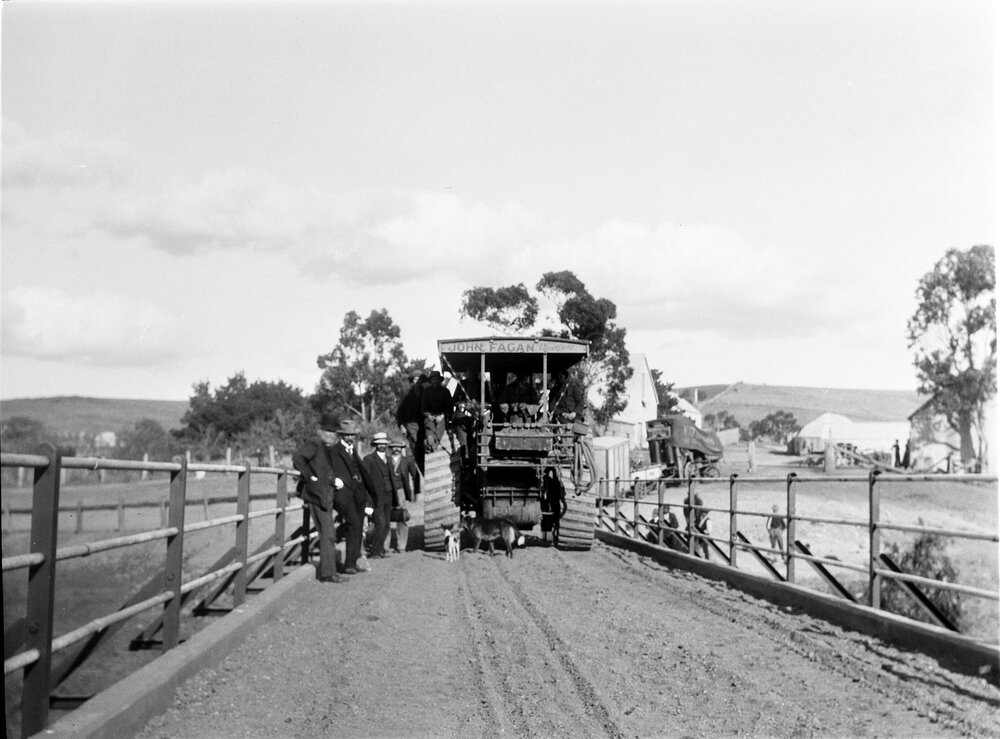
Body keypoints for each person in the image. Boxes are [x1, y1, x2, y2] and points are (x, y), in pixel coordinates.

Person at [291, 413, 348, 583]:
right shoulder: (315, 443)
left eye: (334, 432)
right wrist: (310, 477)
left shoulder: (326, 447)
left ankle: (329, 571)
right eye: (328, 431)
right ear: (321, 431)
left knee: (328, 533)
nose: (332, 435)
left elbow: (322, 469)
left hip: (324, 495)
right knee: (328, 533)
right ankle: (328, 573)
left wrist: (332, 480)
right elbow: (297, 458)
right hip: (316, 495)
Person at [326, 417, 377, 574]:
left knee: (358, 527)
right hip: (343, 495)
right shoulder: (333, 451)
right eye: (347, 435)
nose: (350, 438)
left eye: (352, 435)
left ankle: (354, 562)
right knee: (354, 524)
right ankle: (348, 563)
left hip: (358, 495)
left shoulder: (353, 450)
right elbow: (324, 470)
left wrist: (368, 499)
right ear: (341, 435)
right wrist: (334, 480)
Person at [363, 431, 403, 559]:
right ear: (375, 445)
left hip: (389, 495)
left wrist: (395, 499)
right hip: (376, 497)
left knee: (386, 525)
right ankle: (374, 551)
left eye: (384, 444)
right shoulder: (368, 459)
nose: (382, 446)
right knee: (380, 524)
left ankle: (380, 550)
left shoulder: (389, 459)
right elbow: (365, 481)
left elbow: (392, 478)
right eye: (379, 444)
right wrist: (368, 502)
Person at [388, 439, 416, 551]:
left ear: (401, 449)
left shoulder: (407, 460)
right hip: (388, 491)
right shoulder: (386, 460)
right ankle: (385, 546)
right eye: (393, 447)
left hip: (401, 491)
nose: (396, 449)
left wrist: (415, 492)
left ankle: (401, 546)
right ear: (390, 449)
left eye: (398, 447)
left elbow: (415, 475)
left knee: (402, 517)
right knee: (386, 517)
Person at [420, 370, 453, 453]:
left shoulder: (446, 391)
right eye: (433, 379)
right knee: (429, 426)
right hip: (430, 415)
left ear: (439, 380)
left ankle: (431, 444)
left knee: (440, 427)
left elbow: (449, 406)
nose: (435, 381)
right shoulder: (426, 391)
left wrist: (442, 415)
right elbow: (423, 407)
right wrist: (428, 415)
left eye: (436, 379)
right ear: (430, 380)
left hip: (442, 415)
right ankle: (431, 440)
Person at [396, 369, 426, 454]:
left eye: (420, 379)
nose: (418, 382)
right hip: (410, 424)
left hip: (423, 424)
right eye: (416, 379)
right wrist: (401, 425)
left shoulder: (426, 391)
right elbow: (400, 409)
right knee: (415, 447)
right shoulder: (405, 392)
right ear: (412, 380)